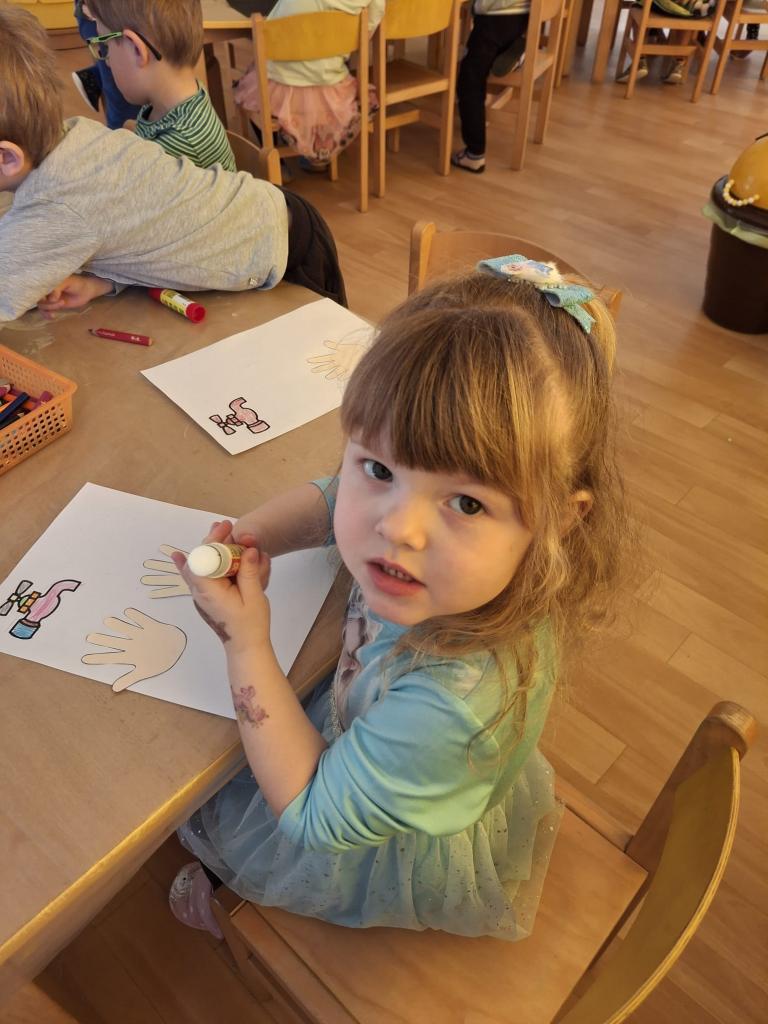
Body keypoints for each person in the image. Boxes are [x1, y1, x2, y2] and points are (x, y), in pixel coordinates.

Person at [167, 259, 630, 941]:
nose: (397, 527)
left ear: (561, 519)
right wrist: (252, 536)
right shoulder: (439, 566)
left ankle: (235, 897)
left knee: (203, 792)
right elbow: (334, 496)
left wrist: (245, 642)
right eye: (381, 468)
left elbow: (310, 812)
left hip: (366, 840)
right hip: (378, 733)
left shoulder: (457, 707)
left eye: (466, 502)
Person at [0, 5, 347, 323]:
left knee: (335, 359)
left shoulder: (54, 202)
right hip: (273, 221)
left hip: (289, 246)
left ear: (7, 157)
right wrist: (105, 281)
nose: (103, 60)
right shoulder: (78, 137)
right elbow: (148, 229)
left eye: (104, 48)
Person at [85, 0, 236, 171]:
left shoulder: (174, 151)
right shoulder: (177, 100)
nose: (108, 62)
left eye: (106, 47)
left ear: (136, 49)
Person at [233, 0, 385, 169]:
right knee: (345, 82)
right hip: (331, 90)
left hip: (280, 90)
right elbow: (367, 31)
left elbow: (267, 39)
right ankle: (314, 148)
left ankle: (277, 164)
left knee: (252, 84)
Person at [452, 0, 531, 174]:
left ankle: (474, 154)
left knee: (469, 81)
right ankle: (512, 52)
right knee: (483, 61)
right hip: (521, 17)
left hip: (495, 17)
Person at [72, 1, 141, 129]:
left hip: (118, 18)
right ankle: (97, 75)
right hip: (110, 17)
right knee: (123, 104)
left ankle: (96, 75)